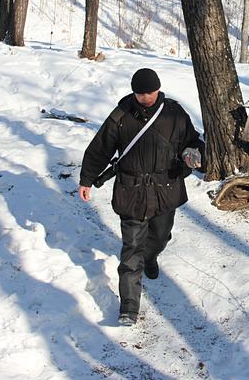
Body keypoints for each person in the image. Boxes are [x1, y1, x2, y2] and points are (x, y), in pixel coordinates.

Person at [79, 68, 204, 327]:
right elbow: (99, 148)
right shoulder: (121, 115)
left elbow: (193, 142)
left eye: (149, 92)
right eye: (140, 93)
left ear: (158, 89)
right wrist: (86, 179)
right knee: (131, 250)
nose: (145, 97)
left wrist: (194, 153)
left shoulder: (174, 113)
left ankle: (151, 256)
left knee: (159, 237)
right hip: (131, 190)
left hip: (165, 190)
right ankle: (129, 308)